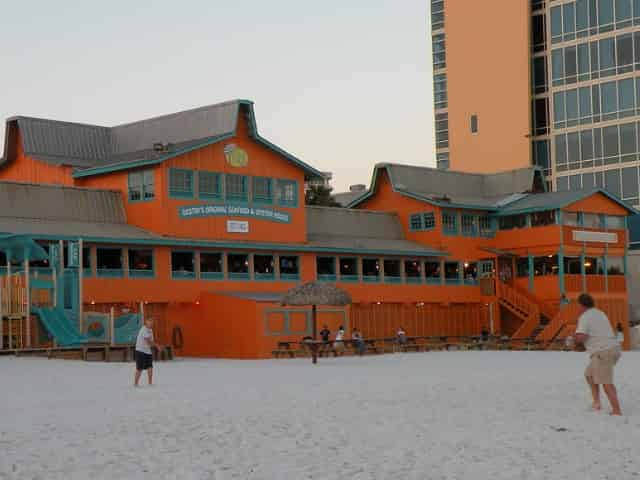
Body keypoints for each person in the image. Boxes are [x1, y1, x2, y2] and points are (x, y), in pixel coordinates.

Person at [574, 293, 622, 416]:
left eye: (577, 305)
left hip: (603, 351)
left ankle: (617, 411)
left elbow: (581, 337)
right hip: (613, 349)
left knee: (606, 382)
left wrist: (572, 340)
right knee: (589, 375)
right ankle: (597, 403)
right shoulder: (599, 313)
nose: (577, 307)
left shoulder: (584, 317)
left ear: (581, 305)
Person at [134, 317, 161, 387]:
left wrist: (155, 345)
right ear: (146, 322)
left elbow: (150, 341)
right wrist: (157, 346)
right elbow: (148, 341)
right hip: (140, 351)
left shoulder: (150, 330)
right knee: (139, 368)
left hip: (147, 351)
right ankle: (135, 383)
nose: (151, 323)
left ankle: (150, 383)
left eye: (152, 322)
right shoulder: (143, 329)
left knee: (150, 367)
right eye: (150, 321)